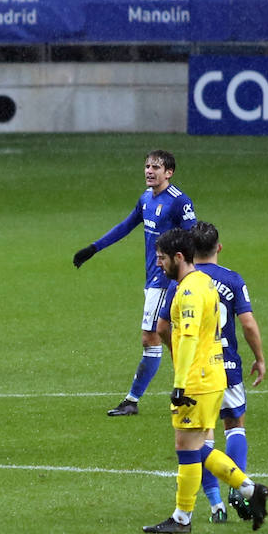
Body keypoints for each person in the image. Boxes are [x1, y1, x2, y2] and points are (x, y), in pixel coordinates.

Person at [142, 228, 268, 534]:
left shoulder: (187, 291)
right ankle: (251, 490)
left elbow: (185, 336)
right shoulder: (203, 281)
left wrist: (180, 382)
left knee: (187, 448)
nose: (158, 264)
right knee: (195, 446)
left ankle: (182, 518)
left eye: (161, 258)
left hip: (196, 380)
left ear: (178, 257)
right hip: (215, 375)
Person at [72, 149, 197, 416]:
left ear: (169, 172)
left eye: (156, 167)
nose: (150, 171)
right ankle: (191, 381)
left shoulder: (179, 202)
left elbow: (193, 241)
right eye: (147, 166)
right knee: (163, 335)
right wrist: (93, 248)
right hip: (152, 279)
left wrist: (179, 280)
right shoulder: (146, 199)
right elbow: (125, 226)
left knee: (150, 337)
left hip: (165, 281)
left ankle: (134, 400)